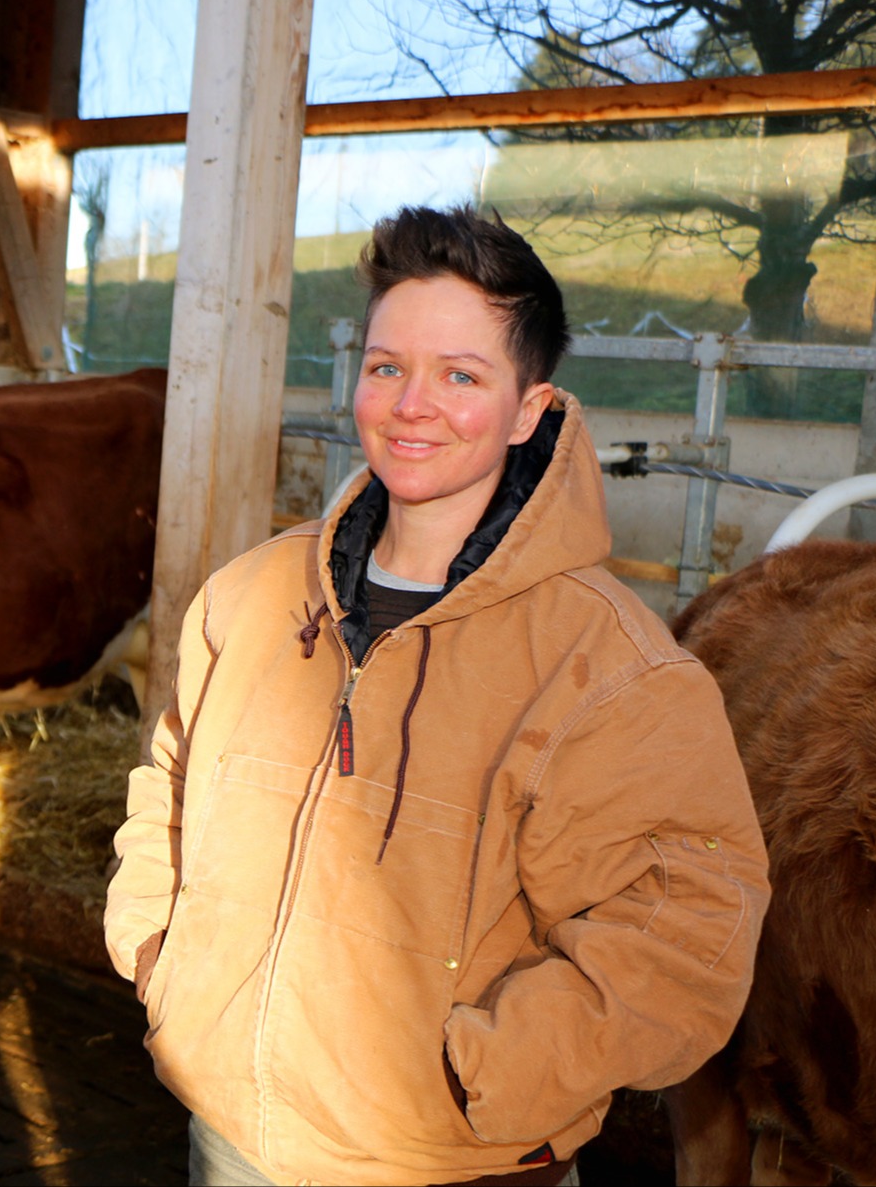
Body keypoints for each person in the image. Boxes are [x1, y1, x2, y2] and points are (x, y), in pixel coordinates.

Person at [104, 205, 770, 1186]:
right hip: (229, 1135)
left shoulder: (609, 666)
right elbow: (169, 777)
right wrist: (160, 956)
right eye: (386, 367)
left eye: (460, 375)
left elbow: (685, 922)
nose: (411, 403)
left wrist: (483, 1078)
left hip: (450, 1161)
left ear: (527, 409)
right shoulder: (248, 598)